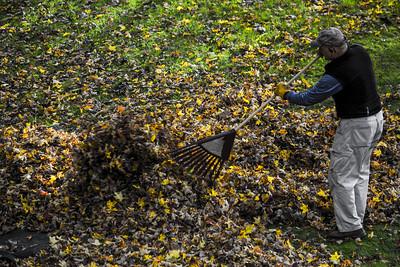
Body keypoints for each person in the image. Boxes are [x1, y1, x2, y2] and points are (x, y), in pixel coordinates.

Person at [274, 27, 384, 239]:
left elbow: (309, 98)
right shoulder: (359, 51)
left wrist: (286, 94)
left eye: (322, 49)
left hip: (357, 127)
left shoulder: (337, 75)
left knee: (341, 176)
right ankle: (356, 218)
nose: (319, 53)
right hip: (376, 119)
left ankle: (350, 228)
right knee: (360, 172)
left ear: (333, 50)